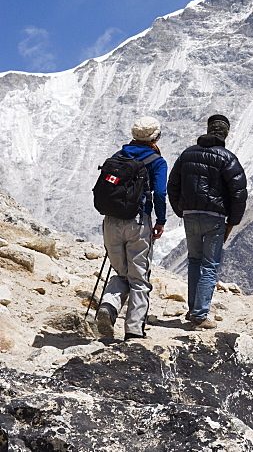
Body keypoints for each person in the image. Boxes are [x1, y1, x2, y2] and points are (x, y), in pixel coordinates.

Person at [167, 114, 247, 329]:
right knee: (210, 265)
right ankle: (200, 314)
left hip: (190, 215)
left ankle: (193, 309)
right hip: (215, 218)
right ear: (226, 133)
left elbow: (172, 185)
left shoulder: (187, 155)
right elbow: (238, 194)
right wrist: (233, 222)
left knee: (194, 260)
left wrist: (180, 211)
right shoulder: (228, 158)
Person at [95, 116, 167, 341]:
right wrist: (161, 220)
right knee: (139, 277)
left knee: (121, 272)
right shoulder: (156, 161)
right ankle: (134, 330)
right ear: (155, 137)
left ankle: (109, 304)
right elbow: (160, 193)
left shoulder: (118, 156)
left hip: (111, 221)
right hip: (137, 222)